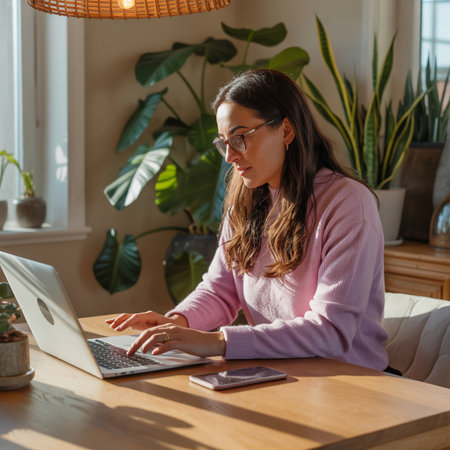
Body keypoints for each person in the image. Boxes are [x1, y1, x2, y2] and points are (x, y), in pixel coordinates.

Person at [107, 68, 389, 372]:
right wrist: (176, 324)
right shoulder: (248, 195)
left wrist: (218, 342)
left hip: (349, 382)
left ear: (286, 131)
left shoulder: (347, 204)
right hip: (278, 374)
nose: (229, 156)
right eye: (223, 142)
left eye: (240, 138)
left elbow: (330, 332)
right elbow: (220, 290)